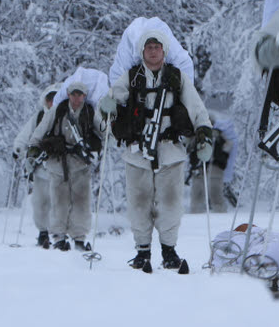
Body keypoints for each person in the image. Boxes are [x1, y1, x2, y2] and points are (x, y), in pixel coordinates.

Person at [99, 29, 213, 272]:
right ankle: (142, 252)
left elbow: (196, 107)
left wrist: (204, 132)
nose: (153, 51)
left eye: (157, 47)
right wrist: (107, 109)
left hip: (170, 150)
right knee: (139, 204)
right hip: (137, 152)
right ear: (142, 51)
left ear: (164, 50)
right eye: (149, 47)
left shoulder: (176, 77)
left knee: (171, 204)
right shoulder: (131, 77)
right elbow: (109, 104)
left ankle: (169, 251)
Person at [28, 80, 104, 252]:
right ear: (68, 94)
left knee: (81, 202)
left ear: (85, 96)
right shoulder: (57, 111)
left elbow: (105, 132)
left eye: (80, 95)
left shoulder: (90, 112)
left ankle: (79, 238)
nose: (77, 98)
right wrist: (33, 148)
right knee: (59, 201)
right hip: (57, 162)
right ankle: (58, 237)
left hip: (80, 163)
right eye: (74, 94)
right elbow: (40, 130)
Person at [13, 83, 60, 248]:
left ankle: (60, 234)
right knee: (40, 202)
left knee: (59, 203)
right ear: (45, 101)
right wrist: (18, 148)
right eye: (49, 99)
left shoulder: (64, 117)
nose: (52, 103)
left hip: (60, 169)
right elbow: (26, 134)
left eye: (55, 99)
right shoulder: (39, 117)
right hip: (40, 169)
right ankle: (43, 233)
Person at [187, 114, 236, 214]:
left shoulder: (219, 136)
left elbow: (228, 148)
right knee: (198, 193)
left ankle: (220, 214)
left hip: (215, 168)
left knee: (215, 193)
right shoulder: (197, 136)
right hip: (200, 168)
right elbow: (189, 148)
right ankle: (195, 214)